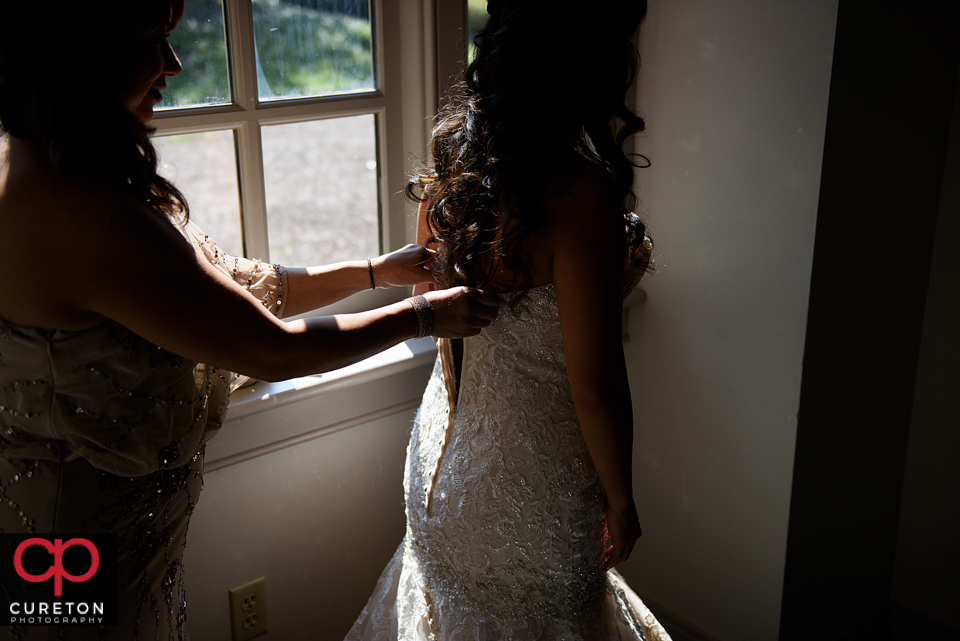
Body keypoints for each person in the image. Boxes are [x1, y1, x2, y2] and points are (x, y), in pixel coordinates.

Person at [0, 1, 498, 639]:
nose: (175, 64)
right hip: (68, 553)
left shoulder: (49, 164)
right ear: (81, 54)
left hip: (95, 538)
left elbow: (237, 289)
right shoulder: (80, 214)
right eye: (155, 39)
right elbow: (273, 350)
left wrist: (378, 271)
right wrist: (424, 315)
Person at [346, 0, 674, 639]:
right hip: (531, 487)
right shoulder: (581, 196)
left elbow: (436, 297)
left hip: (440, 462)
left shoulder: (455, 160)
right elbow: (597, 385)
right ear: (589, 68)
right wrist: (623, 498)